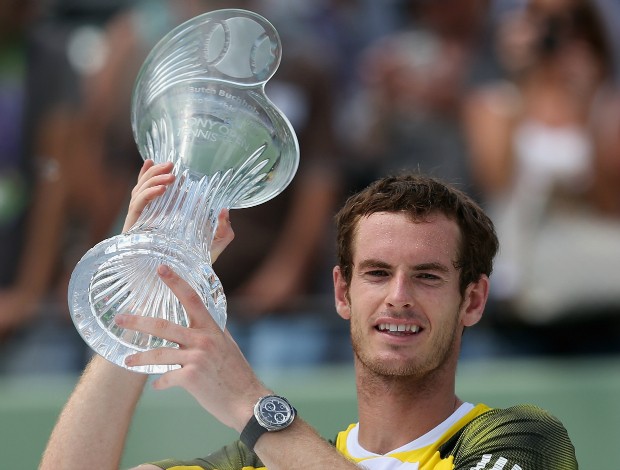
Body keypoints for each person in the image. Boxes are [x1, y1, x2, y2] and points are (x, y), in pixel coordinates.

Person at [40, 160, 577, 469]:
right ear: (342, 292)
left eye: (428, 276)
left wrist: (254, 406)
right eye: (375, 272)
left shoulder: (521, 439)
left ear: (474, 300)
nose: (398, 296)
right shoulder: (258, 461)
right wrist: (148, 288)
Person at [462, 0, 620, 355]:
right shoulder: (496, 102)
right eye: (543, 21)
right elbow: (496, 182)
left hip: (593, 279)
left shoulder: (606, 104)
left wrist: (588, 106)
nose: (556, 34)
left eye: (570, 22)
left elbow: (610, 206)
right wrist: (524, 80)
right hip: (520, 274)